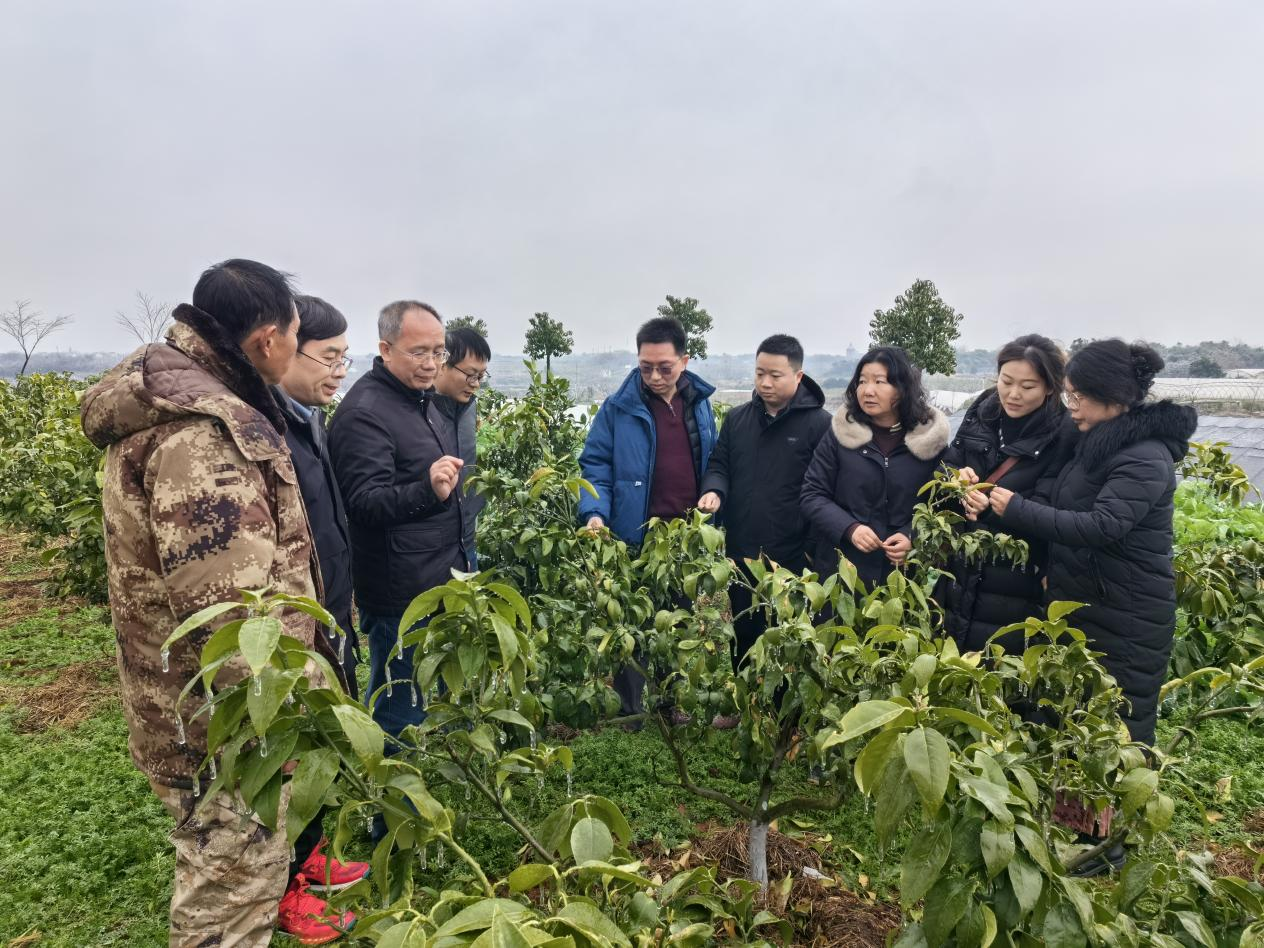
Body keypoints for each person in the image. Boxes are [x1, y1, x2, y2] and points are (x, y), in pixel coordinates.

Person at [81, 259, 352, 946]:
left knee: (228, 881)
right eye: (295, 335)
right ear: (267, 340)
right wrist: (299, 715)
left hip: (191, 710)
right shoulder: (207, 437)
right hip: (227, 733)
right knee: (228, 906)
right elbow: (236, 623)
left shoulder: (168, 404)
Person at [988, 340, 1197, 747]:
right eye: (1070, 395)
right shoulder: (1094, 441)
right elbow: (1060, 496)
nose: (1072, 406)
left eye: (1079, 396)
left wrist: (1016, 509)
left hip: (1125, 614)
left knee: (1111, 728)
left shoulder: (1144, 456)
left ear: (1113, 397)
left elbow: (1103, 525)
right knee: (1070, 714)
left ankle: (1104, 810)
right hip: (1086, 599)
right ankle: (1063, 808)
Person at [329, 301, 466, 743]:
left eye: (439, 352)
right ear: (386, 349)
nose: (431, 364)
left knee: (427, 694)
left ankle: (420, 796)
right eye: (418, 352)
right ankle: (387, 809)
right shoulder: (366, 412)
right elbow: (363, 503)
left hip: (434, 576)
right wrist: (426, 489)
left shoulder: (419, 401)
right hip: (400, 592)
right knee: (399, 706)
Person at [272, 295, 371, 905]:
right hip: (288, 616)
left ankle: (306, 855)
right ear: (283, 350)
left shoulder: (308, 419)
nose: (338, 370)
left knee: (313, 740)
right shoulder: (268, 428)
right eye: (329, 357)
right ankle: (281, 886)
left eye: (343, 357)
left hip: (326, 605)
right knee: (282, 751)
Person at [578, 316, 718, 715]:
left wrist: (712, 495)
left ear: (684, 361)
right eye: (645, 367)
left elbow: (711, 458)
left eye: (664, 367)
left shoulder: (699, 404)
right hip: (632, 533)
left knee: (677, 618)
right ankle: (630, 707)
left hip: (682, 537)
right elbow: (596, 465)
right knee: (630, 620)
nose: (654, 376)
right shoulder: (618, 409)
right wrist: (594, 513)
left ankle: (671, 700)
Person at [697, 334, 831, 671]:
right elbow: (719, 465)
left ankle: (784, 711)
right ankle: (745, 700)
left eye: (775, 375)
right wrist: (715, 490)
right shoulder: (738, 420)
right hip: (743, 545)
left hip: (792, 550)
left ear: (798, 377)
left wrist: (811, 548)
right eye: (760, 374)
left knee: (787, 628)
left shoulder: (820, 425)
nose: (765, 383)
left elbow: (826, 488)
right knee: (745, 623)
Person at [939, 335, 1078, 653]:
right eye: (1006, 381)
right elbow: (948, 464)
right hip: (962, 567)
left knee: (997, 667)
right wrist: (954, 480)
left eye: (1028, 387)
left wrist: (994, 509)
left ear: (1050, 387)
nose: (1013, 394)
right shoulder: (984, 408)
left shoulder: (1064, 432)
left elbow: (1050, 510)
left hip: (1016, 577)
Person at [800, 346, 949, 588]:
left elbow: (945, 504)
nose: (868, 390)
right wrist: (850, 528)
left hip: (904, 577)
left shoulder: (930, 440)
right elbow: (812, 494)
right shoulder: (841, 434)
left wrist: (913, 536)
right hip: (843, 572)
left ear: (902, 389)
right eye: (862, 381)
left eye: (879, 382)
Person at [432, 326, 491, 570]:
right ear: (443, 363)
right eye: (470, 375)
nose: (475, 384)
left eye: (481, 376)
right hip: (432, 552)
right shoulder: (420, 411)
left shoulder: (465, 408)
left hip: (466, 542)